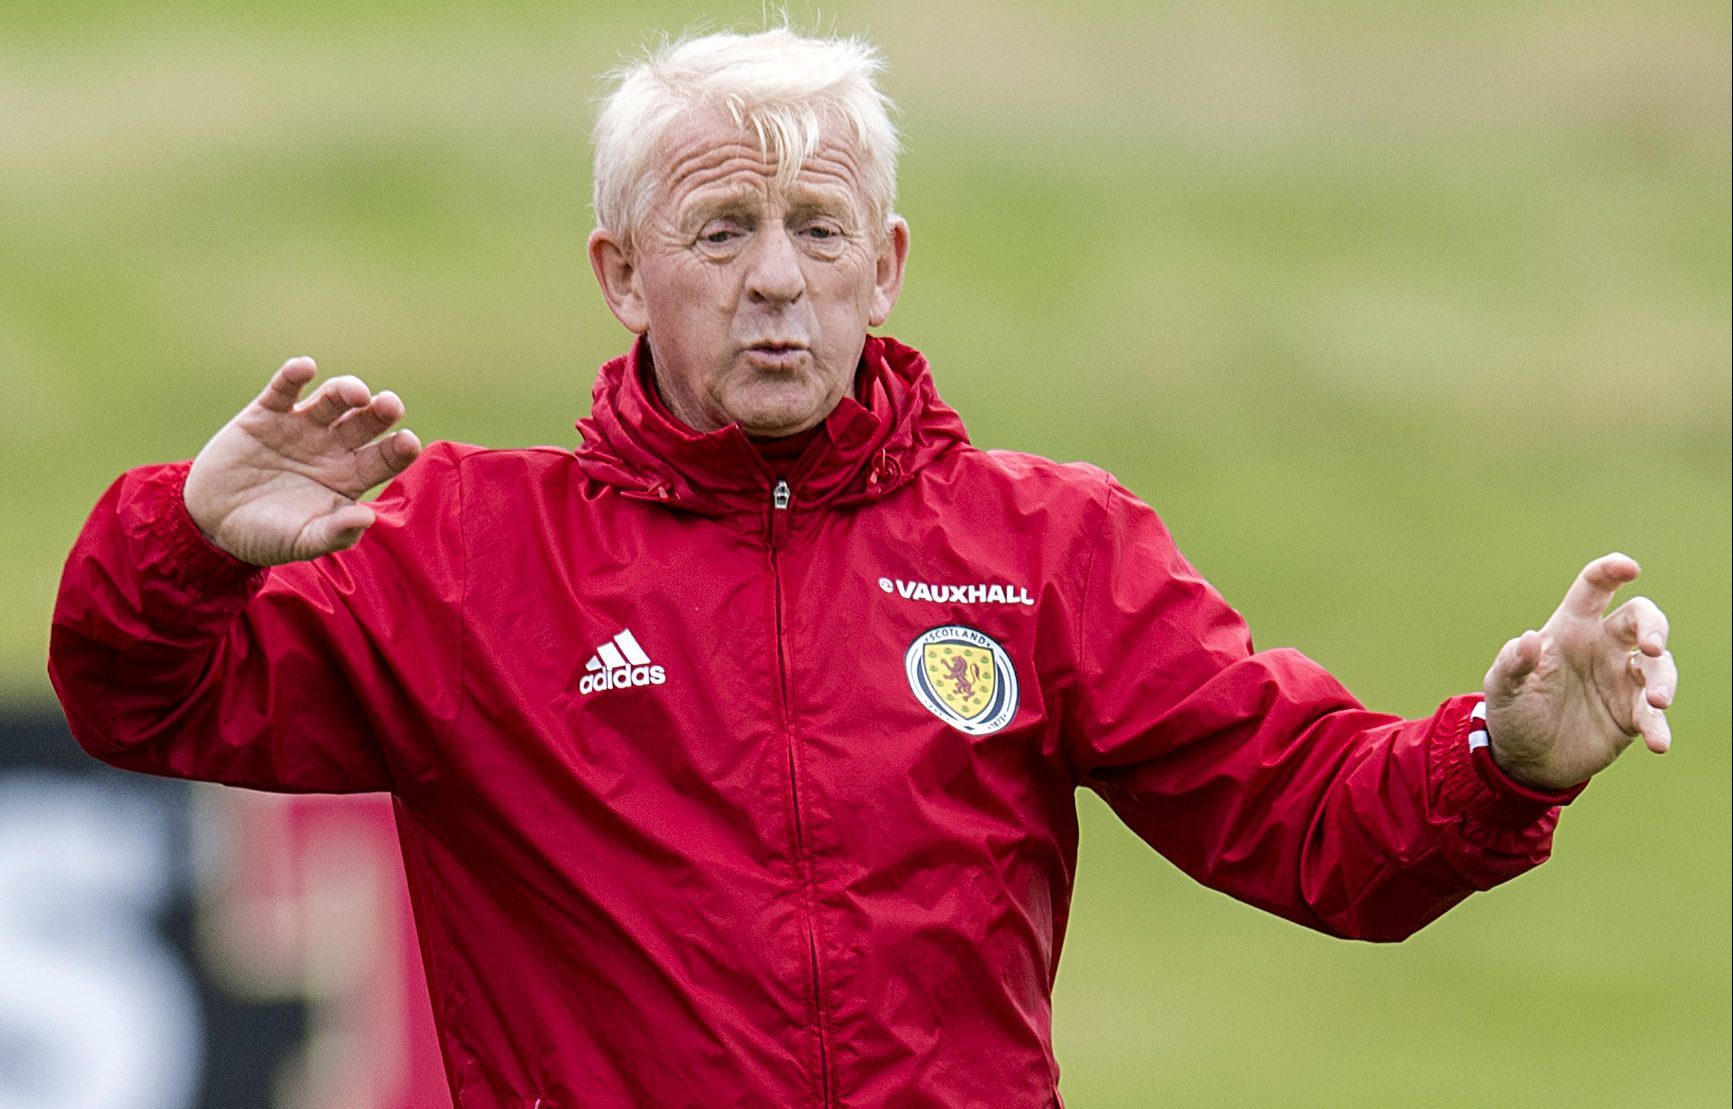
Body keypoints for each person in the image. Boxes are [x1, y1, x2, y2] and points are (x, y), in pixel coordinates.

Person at [49, 26, 1677, 1108]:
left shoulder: (1044, 544)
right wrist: (183, 542)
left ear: (884, 265)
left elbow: (1312, 823)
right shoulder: (467, 553)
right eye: (720, 230)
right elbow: (142, 702)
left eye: (818, 229)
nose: (776, 282)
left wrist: (1499, 758)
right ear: (621, 274)